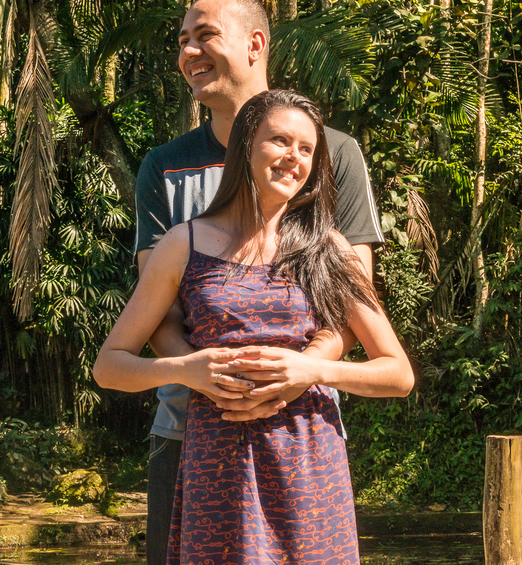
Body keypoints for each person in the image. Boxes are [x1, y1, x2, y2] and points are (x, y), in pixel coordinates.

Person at [94, 89, 414, 565]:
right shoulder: (183, 244)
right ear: (245, 146)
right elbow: (109, 366)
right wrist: (187, 369)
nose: (294, 158)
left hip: (309, 458)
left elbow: (398, 373)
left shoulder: (329, 249)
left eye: (307, 149)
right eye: (281, 141)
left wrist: (311, 371)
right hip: (217, 462)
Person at [133, 0, 384, 565]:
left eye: (204, 35)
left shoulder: (330, 154)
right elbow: (154, 318)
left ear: (255, 44)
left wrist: (295, 374)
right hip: (189, 430)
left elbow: (351, 303)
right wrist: (210, 378)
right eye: (182, 41)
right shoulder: (163, 167)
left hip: (303, 431)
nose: (189, 51)